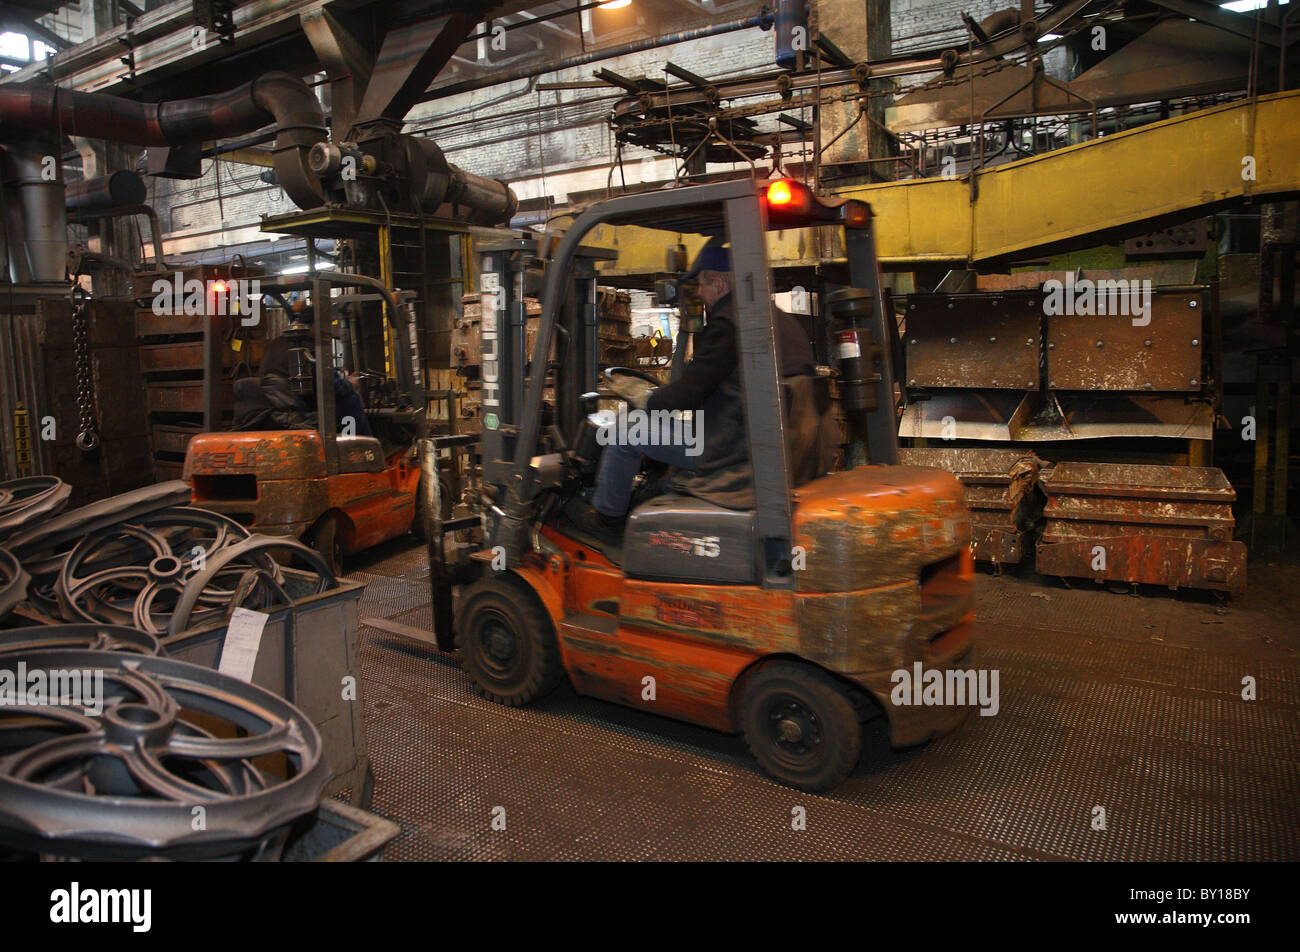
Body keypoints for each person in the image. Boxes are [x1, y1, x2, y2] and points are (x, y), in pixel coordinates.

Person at [573, 239, 815, 543]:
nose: (698, 292)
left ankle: (606, 522)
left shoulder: (730, 323)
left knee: (624, 431)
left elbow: (690, 393)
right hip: (754, 439)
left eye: (701, 283)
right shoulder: (775, 319)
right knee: (659, 424)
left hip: (728, 448)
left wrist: (647, 399)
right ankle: (653, 491)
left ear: (720, 281)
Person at [237, 303, 372, 436]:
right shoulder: (304, 347)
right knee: (350, 399)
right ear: (314, 325)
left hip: (278, 406)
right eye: (326, 325)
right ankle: (360, 450)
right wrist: (350, 383)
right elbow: (331, 386)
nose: (329, 331)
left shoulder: (276, 343)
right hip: (302, 407)